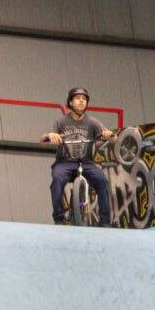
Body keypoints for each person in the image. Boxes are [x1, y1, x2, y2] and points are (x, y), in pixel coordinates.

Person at [41, 87, 115, 226]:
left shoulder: (92, 122)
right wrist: (49, 135)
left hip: (86, 163)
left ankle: (105, 221)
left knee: (102, 182)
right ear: (70, 102)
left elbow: (114, 138)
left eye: (84, 99)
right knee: (57, 180)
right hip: (65, 162)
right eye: (78, 98)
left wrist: (109, 135)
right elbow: (42, 140)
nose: (81, 101)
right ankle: (59, 218)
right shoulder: (61, 122)